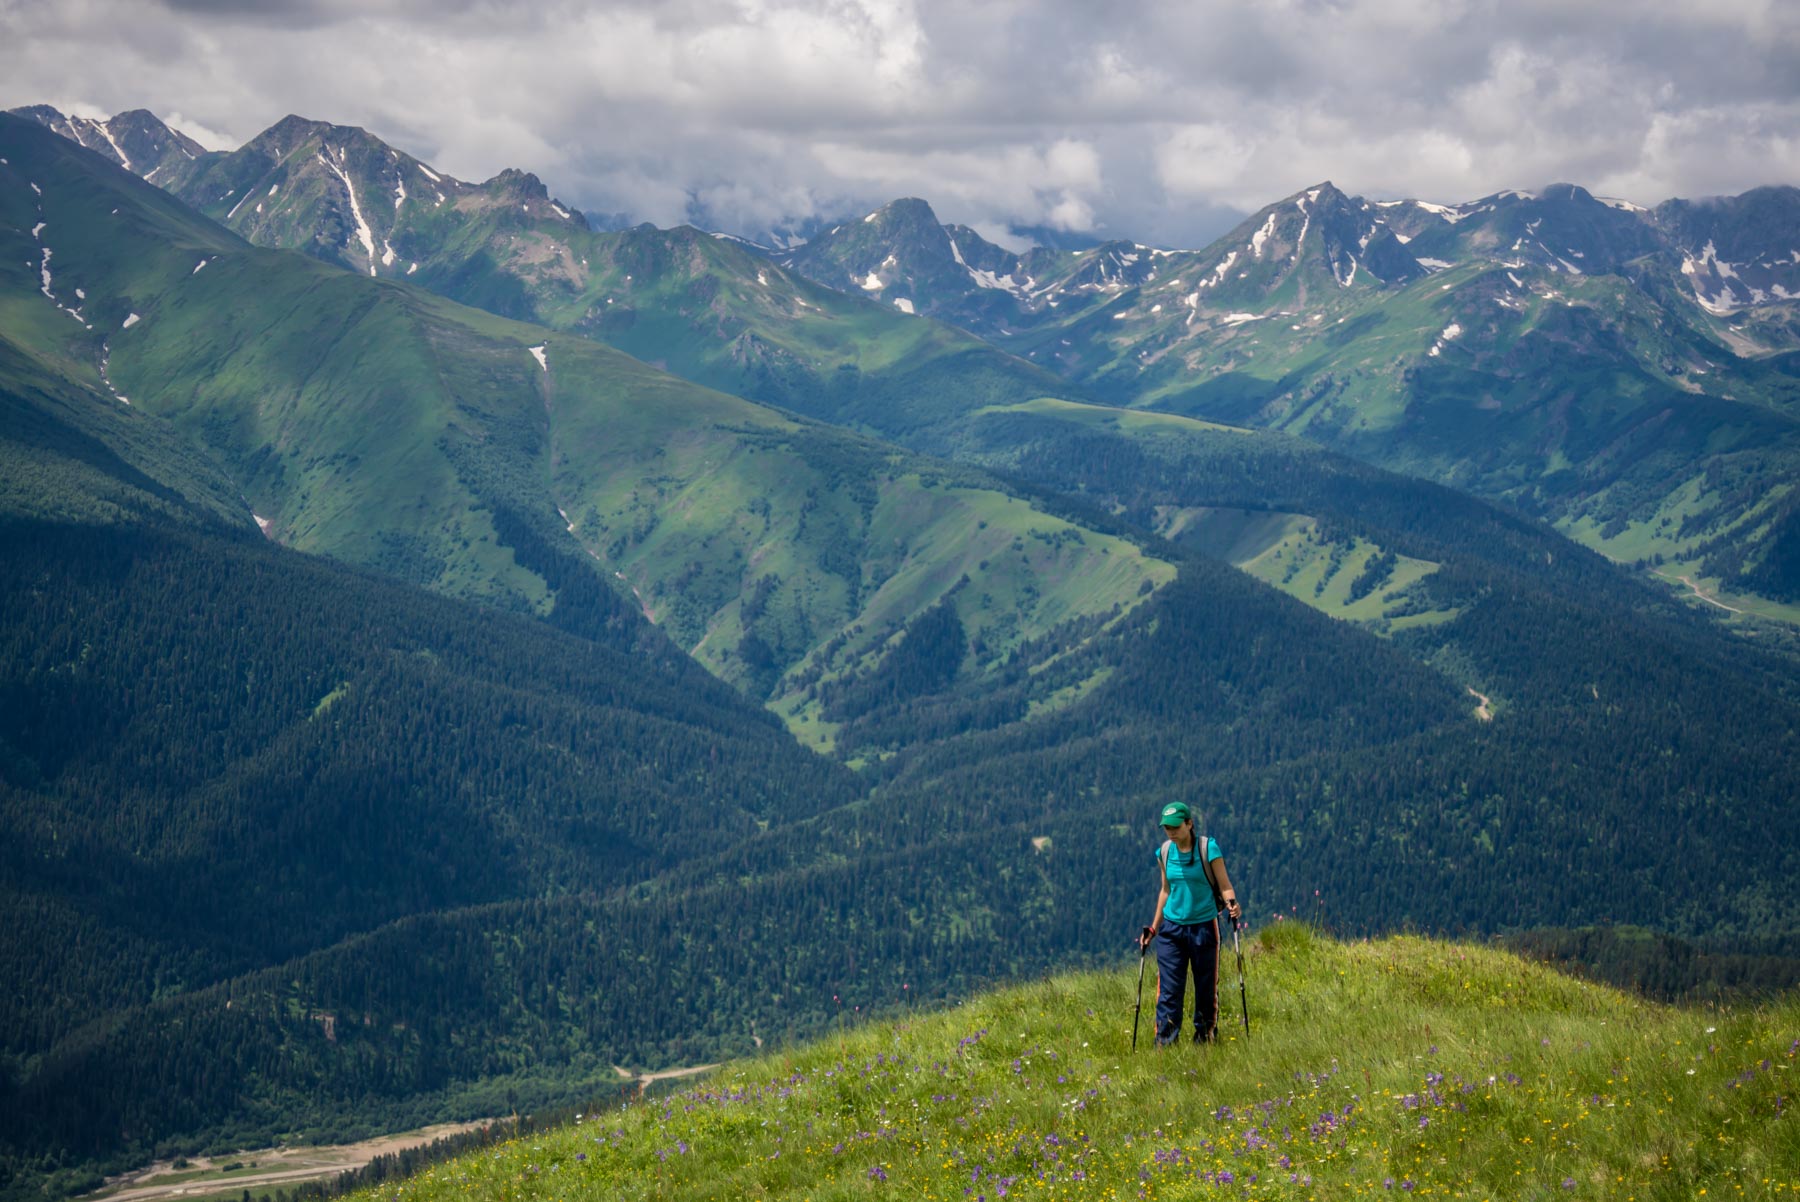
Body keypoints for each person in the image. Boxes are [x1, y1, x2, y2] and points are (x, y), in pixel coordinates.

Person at [1138, 800, 1240, 1045]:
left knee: (1206, 988)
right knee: (1169, 991)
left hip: (1204, 927)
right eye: (1167, 827)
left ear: (1189, 824)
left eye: (1176, 826)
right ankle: (1165, 1044)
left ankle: (1204, 1040)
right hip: (1171, 930)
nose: (1171, 832)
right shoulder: (1164, 853)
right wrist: (1153, 928)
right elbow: (1166, 890)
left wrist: (1232, 904)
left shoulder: (1208, 849)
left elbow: (1224, 885)